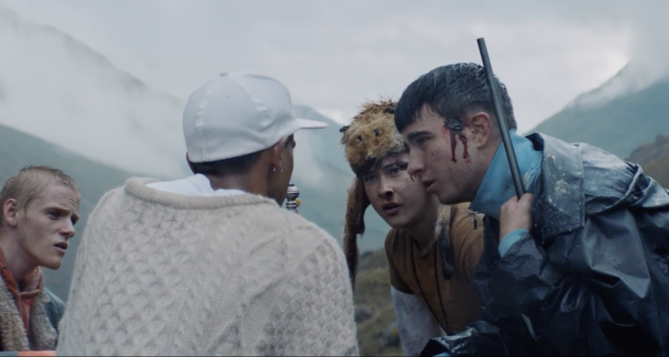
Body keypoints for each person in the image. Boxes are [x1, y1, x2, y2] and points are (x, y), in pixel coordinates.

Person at [393, 63, 669, 355]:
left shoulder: (585, 197)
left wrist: (519, 254)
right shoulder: (510, 205)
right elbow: (521, 330)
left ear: (477, 129)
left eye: (422, 141)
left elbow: (629, 341)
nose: (413, 166)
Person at [57, 71, 359, 356]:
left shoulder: (112, 212)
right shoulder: (303, 251)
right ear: (278, 153)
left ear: (191, 159)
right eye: (292, 146)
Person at [341, 99, 484, 356]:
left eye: (396, 169)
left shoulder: (470, 229)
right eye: (370, 177)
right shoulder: (397, 244)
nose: (384, 189)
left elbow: (520, 328)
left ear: (423, 164)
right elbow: (417, 341)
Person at [0, 165, 79, 352]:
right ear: (12, 212)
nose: (70, 230)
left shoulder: (54, 311)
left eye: (73, 220)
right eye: (54, 214)